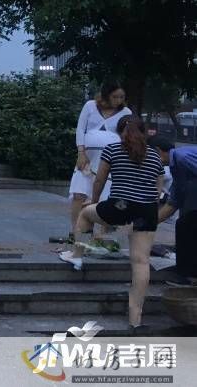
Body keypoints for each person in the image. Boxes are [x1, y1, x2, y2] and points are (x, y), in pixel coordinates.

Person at [60, 116, 166, 333]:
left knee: (85, 214)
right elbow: (158, 188)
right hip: (146, 210)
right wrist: (146, 210)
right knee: (141, 261)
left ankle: (77, 255)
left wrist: (94, 201)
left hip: (119, 205)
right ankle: (135, 318)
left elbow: (100, 179)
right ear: (144, 133)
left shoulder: (113, 149)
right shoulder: (154, 155)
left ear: (119, 133)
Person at [66, 78, 131, 242]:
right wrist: (81, 152)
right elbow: (81, 128)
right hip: (87, 159)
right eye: (115, 96)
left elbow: (128, 134)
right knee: (79, 193)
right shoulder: (90, 106)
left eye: (121, 97)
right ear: (106, 95)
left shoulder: (126, 112)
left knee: (106, 197)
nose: (118, 100)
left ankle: (103, 236)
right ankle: (76, 232)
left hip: (110, 160)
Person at [149, 136, 197, 283]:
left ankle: (188, 275)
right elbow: (173, 203)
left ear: (158, 151)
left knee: (186, 224)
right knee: (183, 225)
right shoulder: (176, 168)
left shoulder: (181, 156)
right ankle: (186, 274)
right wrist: (148, 223)